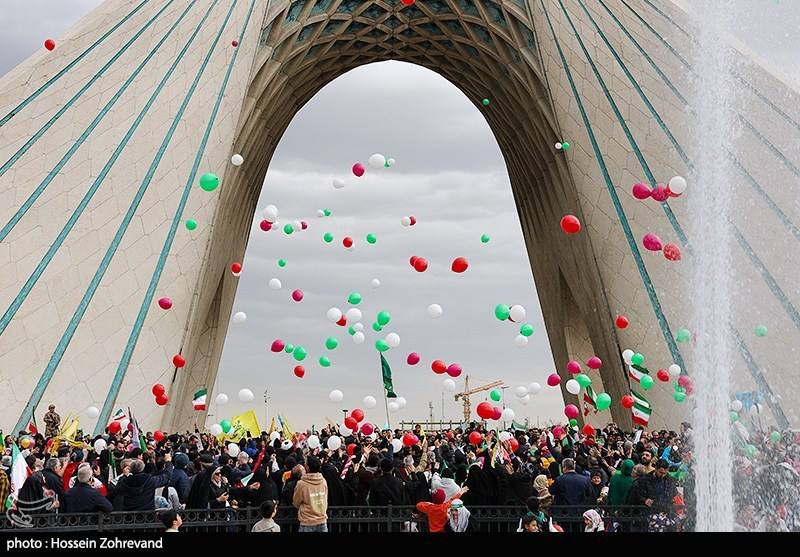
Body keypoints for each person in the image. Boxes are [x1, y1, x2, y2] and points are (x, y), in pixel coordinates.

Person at [292, 455, 328, 532]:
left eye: (305, 463)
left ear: (307, 467)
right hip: (322, 520)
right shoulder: (323, 481)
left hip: (307, 522)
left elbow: (296, 503)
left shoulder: (301, 484)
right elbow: (325, 498)